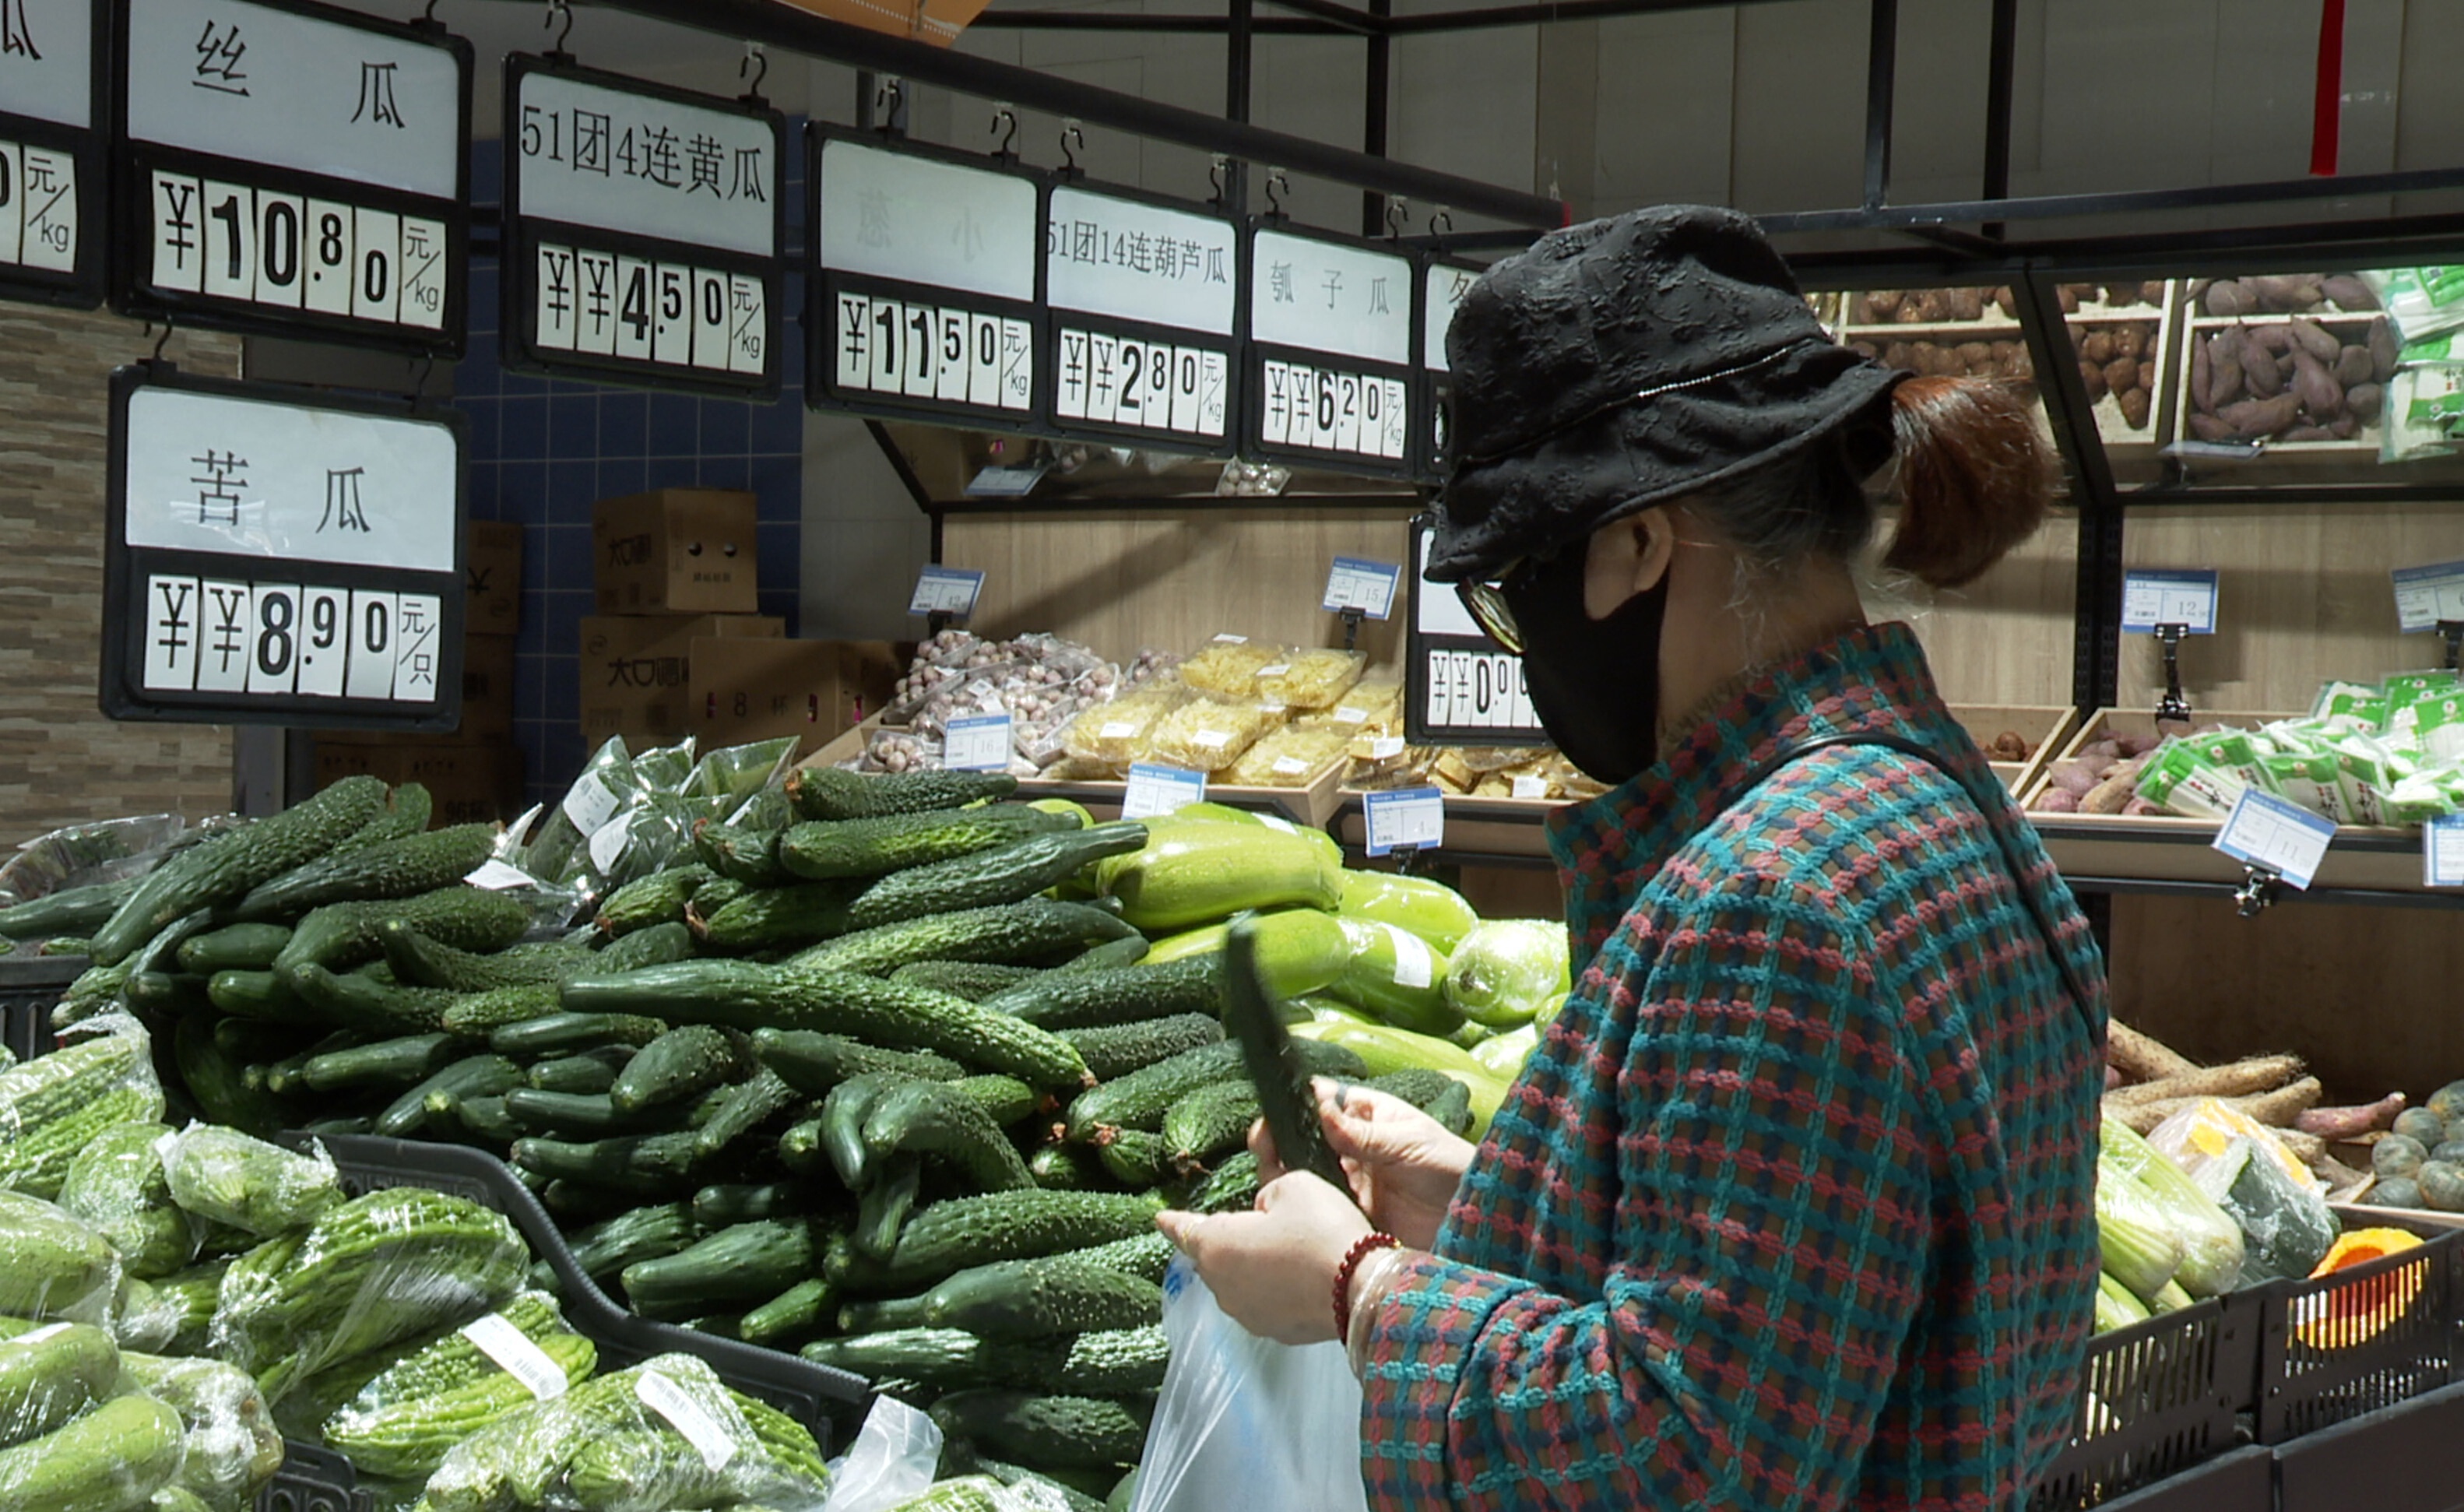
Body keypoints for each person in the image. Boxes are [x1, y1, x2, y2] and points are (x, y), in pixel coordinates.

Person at [1155, 205, 2111, 1510]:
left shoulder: (1771, 897)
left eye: (1514, 586)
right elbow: (1810, 1291)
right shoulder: (1943, 809)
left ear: (1638, 541)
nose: (1519, 635)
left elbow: (1681, 1454)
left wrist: (1357, 1289)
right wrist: (1492, 1199)